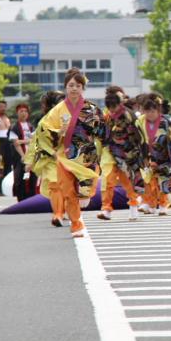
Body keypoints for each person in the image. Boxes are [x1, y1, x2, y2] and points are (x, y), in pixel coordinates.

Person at [41, 68, 103, 237]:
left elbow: (103, 131)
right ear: (65, 87)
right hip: (65, 157)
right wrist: (58, 132)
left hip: (85, 156)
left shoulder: (92, 109)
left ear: (83, 88)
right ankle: (76, 224)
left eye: (77, 85)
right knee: (68, 192)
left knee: (84, 192)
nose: (74, 88)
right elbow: (45, 131)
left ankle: (85, 195)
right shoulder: (57, 110)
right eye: (71, 85)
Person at [99, 86, 144, 221]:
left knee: (128, 182)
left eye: (114, 106)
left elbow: (138, 136)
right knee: (108, 180)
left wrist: (138, 154)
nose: (112, 110)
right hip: (112, 153)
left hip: (128, 154)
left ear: (120, 104)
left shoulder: (129, 115)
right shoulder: (107, 116)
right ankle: (106, 208)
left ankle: (134, 206)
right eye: (109, 107)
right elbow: (103, 134)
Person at [24, 90, 66, 227]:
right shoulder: (44, 123)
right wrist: (29, 161)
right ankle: (57, 214)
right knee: (54, 184)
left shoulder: (69, 118)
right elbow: (35, 142)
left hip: (68, 158)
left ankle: (64, 209)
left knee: (68, 188)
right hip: (51, 160)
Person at [137, 93, 171, 215]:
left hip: (166, 156)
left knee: (164, 181)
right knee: (149, 180)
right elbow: (138, 140)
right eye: (147, 111)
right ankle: (150, 204)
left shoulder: (166, 122)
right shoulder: (140, 122)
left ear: (158, 111)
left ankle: (163, 205)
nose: (150, 114)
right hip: (149, 155)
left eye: (153, 111)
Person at [9, 103, 37, 202]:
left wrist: (22, 141)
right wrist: (23, 156)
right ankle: (21, 199)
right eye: (21, 111)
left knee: (32, 177)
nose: (24, 113)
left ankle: (32, 199)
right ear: (17, 113)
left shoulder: (31, 126)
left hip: (31, 156)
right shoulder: (14, 127)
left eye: (25, 111)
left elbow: (34, 141)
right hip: (20, 157)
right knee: (20, 178)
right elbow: (16, 143)